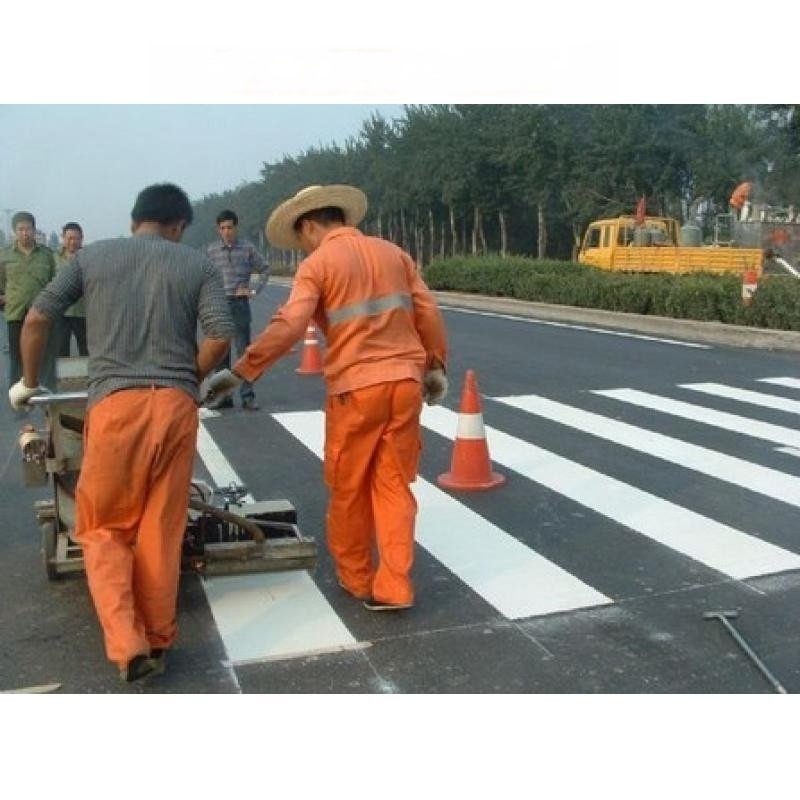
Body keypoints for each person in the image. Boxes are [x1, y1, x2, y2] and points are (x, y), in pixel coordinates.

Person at [8, 183, 234, 683]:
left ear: (136, 220)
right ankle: (157, 636)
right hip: (175, 408)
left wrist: (27, 382)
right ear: (177, 225)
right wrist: (187, 379)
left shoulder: (93, 258)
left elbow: (39, 315)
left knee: (104, 525)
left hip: (114, 406)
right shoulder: (196, 264)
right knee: (161, 526)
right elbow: (220, 334)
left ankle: (128, 643)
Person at [205, 184, 448, 611]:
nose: (301, 248)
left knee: (349, 486)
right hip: (405, 383)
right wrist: (436, 367)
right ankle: (395, 586)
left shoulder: (318, 265)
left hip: (357, 390)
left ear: (311, 226)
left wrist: (241, 370)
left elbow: (289, 325)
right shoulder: (395, 254)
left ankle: (357, 580)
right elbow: (427, 310)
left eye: (301, 239)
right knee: (394, 485)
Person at [206, 209, 270, 411]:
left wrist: (252, 290)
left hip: (239, 304)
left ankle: (248, 396)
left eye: (230, 227)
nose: (226, 231)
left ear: (236, 227)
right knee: (221, 354)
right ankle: (223, 397)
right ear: (218, 230)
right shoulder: (212, 251)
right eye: (223, 228)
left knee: (244, 353)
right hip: (219, 306)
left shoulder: (247, 249)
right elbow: (204, 276)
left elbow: (265, 269)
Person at [0, 212, 57, 392]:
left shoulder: (47, 255)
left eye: (28, 229)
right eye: (20, 229)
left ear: (34, 230)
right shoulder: (4, 256)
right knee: (17, 355)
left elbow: (53, 281)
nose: (25, 233)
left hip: (40, 313)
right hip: (15, 313)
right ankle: (18, 394)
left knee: (44, 353)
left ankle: (46, 392)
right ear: (14, 232)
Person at [53, 222, 89, 357]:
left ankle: (89, 377)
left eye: (76, 238)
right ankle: (63, 378)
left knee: (86, 349)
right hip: (61, 312)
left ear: (82, 238)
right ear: (63, 238)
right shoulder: (54, 258)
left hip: (83, 311)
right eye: (69, 238)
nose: (73, 242)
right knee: (61, 350)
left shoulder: (89, 257)